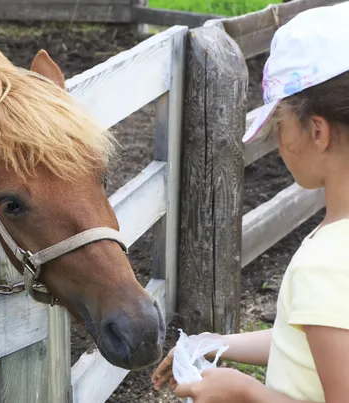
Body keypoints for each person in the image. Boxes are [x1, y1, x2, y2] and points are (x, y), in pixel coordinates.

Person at [151, 2, 349, 402]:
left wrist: (249, 394)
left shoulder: (325, 264)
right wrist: (219, 342)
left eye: (279, 124)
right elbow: (312, 338)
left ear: (317, 131)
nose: (278, 143)